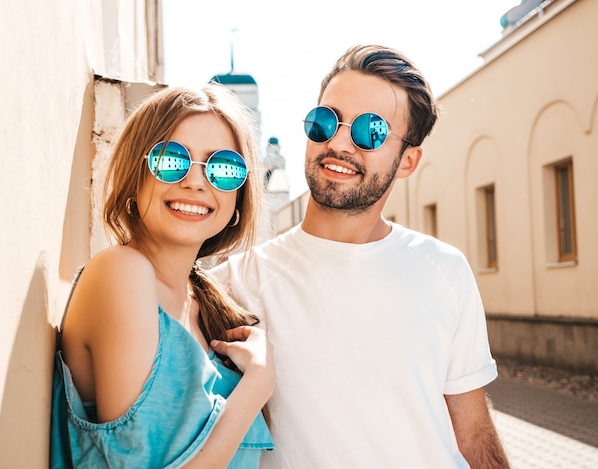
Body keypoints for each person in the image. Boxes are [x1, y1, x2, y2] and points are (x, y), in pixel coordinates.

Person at [212, 44, 510, 468]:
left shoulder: (444, 269)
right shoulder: (235, 284)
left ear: (408, 160)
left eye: (370, 131)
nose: (337, 142)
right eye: (325, 121)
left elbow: (475, 433)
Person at [50, 84, 275, 468]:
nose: (196, 182)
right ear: (135, 179)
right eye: (172, 160)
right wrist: (256, 384)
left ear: (239, 198)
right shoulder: (121, 273)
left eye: (223, 169)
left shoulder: (209, 304)